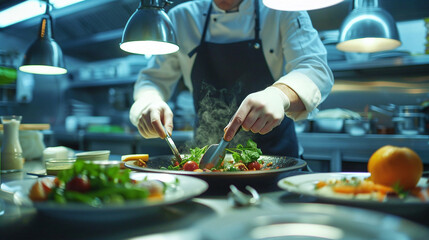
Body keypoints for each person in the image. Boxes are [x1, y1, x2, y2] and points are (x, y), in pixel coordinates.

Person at [129, 0, 334, 157]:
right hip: (205, 162)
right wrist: (148, 103)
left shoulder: (282, 9)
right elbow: (153, 79)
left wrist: (279, 95)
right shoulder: (182, 18)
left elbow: (316, 69)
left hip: (277, 159)